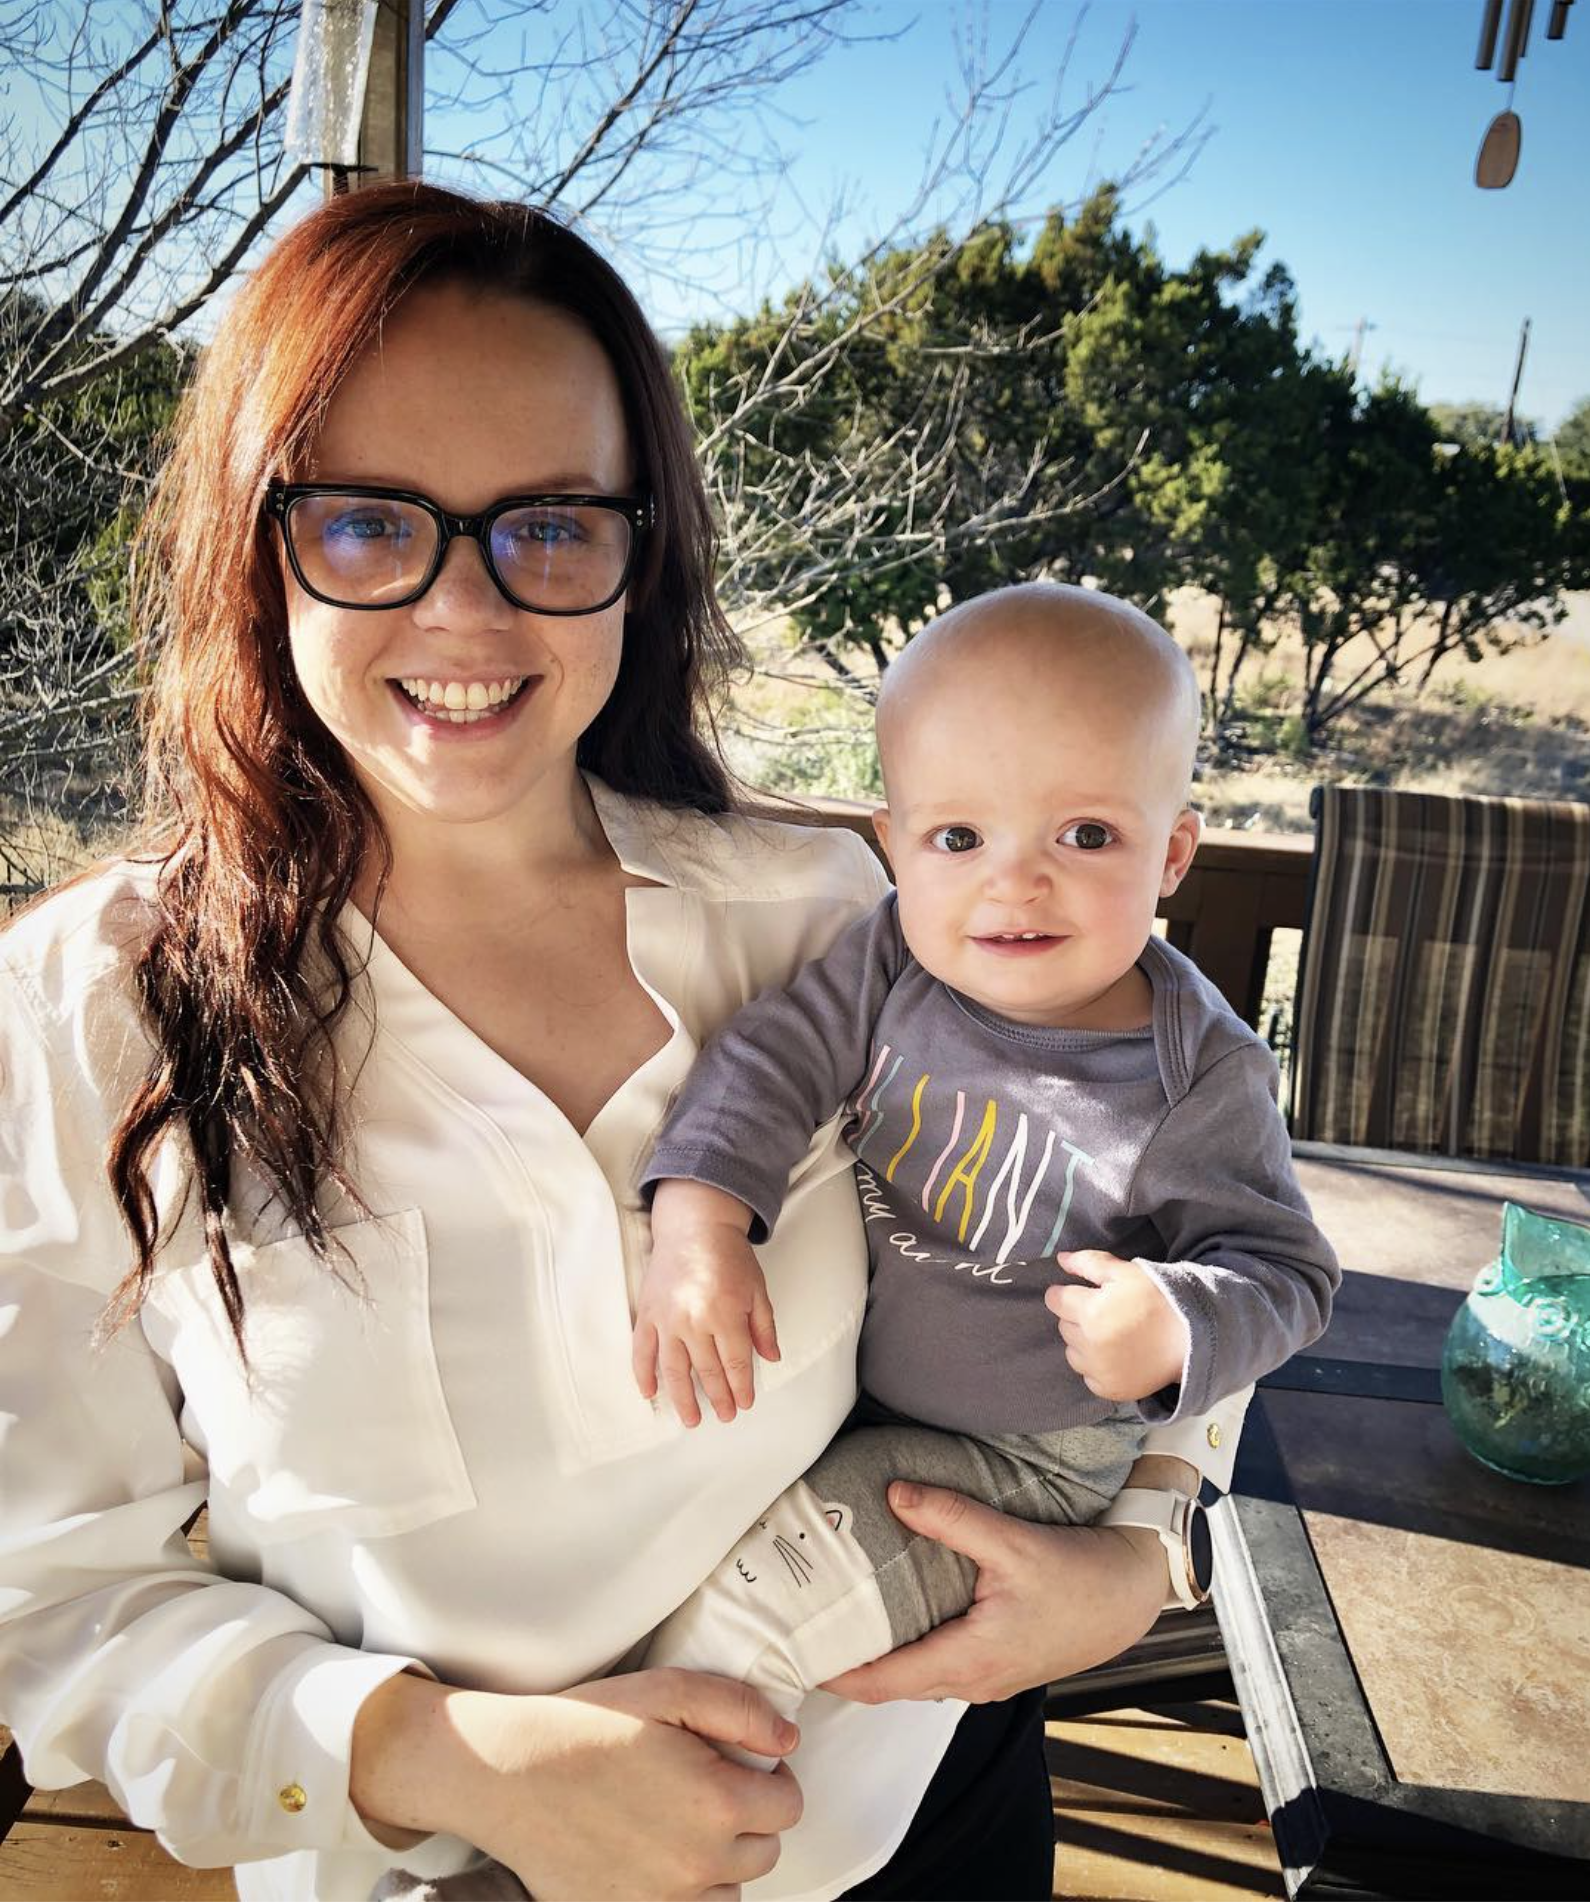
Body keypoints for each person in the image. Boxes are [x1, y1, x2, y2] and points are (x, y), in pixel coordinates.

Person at [0, 182, 1237, 1902]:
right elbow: (49, 1590)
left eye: (551, 525)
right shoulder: (93, 1008)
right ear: (256, 539)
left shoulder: (826, 916)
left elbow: (1183, 1178)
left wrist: (1144, 1544)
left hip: (921, 1824)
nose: (466, 611)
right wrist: (445, 1758)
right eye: (366, 523)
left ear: (638, 556)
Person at [627, 585, 1339, 1754]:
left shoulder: (1195, 1074)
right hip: (860, 1410)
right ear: (893, 842)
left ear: (1173, 852)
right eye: (959, 839)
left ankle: (622, 1814)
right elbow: (770, 1062)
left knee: (750, 1626)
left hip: (1026, 1463)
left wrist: (1174, 1322)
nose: (1016, 883)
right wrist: (700, 1223)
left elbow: (1288, 1274)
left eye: (1086, 836)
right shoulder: (894, 962)